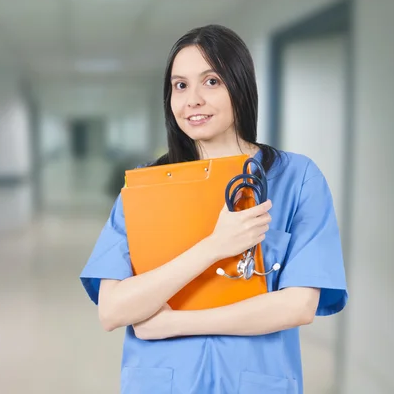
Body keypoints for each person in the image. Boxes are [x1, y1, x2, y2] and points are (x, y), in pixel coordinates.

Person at [79, 24, 348, 394]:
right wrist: (214, 247)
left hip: (255, 383)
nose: (192, 100)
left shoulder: (298, 178)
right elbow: (113, 310)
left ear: (240, 86)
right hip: (162, 382)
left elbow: (298, 306)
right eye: (180, 85)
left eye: (211, 81)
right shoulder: (144, 187)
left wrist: (173, 323)